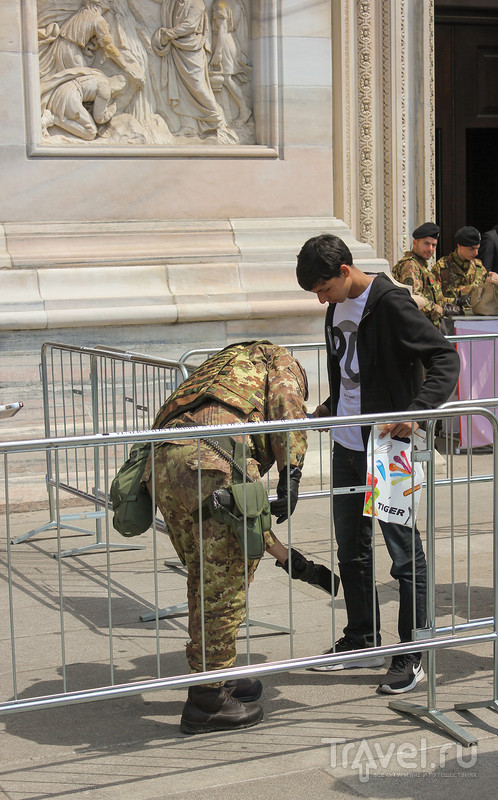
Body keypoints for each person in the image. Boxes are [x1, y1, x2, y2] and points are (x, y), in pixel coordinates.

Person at [296, 234, 460, 694]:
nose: (321, 298)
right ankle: (361, 638)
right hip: (348, 447)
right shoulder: (336, 309)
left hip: (390, 450)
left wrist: (417, 410)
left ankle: (413, 653)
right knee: (351, 548)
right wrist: (325, 412)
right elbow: (350, 375)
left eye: (323, 288)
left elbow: (445, 357)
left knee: (404, 553)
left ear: (345, 271)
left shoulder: (390, 304)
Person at [144, 340, 335, 733]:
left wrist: (292, 562)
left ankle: (216, 675)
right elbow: (286, 404)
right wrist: (292, 469)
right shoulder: (282, 362)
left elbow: (249, 528)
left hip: (162, 463)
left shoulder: (224, 365)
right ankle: (207, 702)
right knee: (222, 589)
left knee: (206, 578)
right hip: (211, 463)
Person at [150, 0, 238, 143]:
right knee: (181, 87)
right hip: (177, 49)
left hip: (192, 49)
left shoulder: (197, 3)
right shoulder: (173, 3)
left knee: (198, 87)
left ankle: (217, 120)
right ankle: (188, 126)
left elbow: (190, 25)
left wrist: (169, 34)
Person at [392, 222, 446, 327]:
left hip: (424, 327)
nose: (430, 249)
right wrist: (438, 309)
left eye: (433, 245)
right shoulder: (410, 266)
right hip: (415, 328)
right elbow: (413, 298)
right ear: (415, 243)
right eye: (426, 244)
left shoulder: (421, 266)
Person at [432, 226, 498, 308]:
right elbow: (435, 299)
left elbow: (487, 297)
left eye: (477, 248)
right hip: (450, 316)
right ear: (459, 246)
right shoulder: (442, 267)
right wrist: (458, 301)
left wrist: (494, 282)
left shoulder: (479, 267)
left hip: (475, 316)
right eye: (472, 249)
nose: (476, 253)